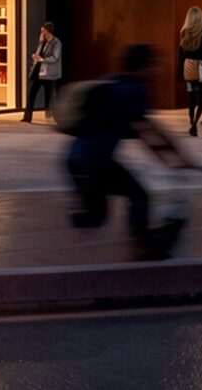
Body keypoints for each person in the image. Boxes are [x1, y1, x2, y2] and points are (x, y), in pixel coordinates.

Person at [66, 43, 192, 258]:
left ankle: (86, 215)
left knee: (96, 217)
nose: (159, 70)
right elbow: (149, 133)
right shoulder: (134, 90)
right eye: (156, 64)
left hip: (75, 159)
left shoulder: (110, 82)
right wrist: (177, 160)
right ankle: (143, 247)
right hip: (96, 162)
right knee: (139, 196)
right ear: (145, 66)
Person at [178, 6, 202, 137]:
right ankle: (195, 124)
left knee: (192, 97)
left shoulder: (184, 32)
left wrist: (180, 70)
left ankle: (191, 122)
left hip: (188, 65)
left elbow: (181, 53)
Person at [22, 21, 64, 122]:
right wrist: (36, 57)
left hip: (49, 73)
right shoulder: (42, 41)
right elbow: (39, 53)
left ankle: (54, 117)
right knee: (31, 93)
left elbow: (55, 58)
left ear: (47, 31)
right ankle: (27, 117)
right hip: (39, 71)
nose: (41, 32)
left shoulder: (56, 43)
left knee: (50, 96)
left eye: (43, 30)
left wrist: (42, 59)